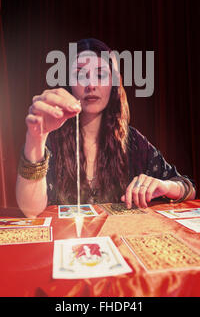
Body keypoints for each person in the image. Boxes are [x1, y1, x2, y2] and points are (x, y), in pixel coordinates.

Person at [16, 38, 195, 217]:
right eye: (80, 75)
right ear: (68, 84)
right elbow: (30, 210)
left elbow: (188, 187)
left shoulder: (132, 141)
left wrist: (166, 186)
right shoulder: (50, 138)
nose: (91, 85)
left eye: (100, 75)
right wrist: (36, 137)